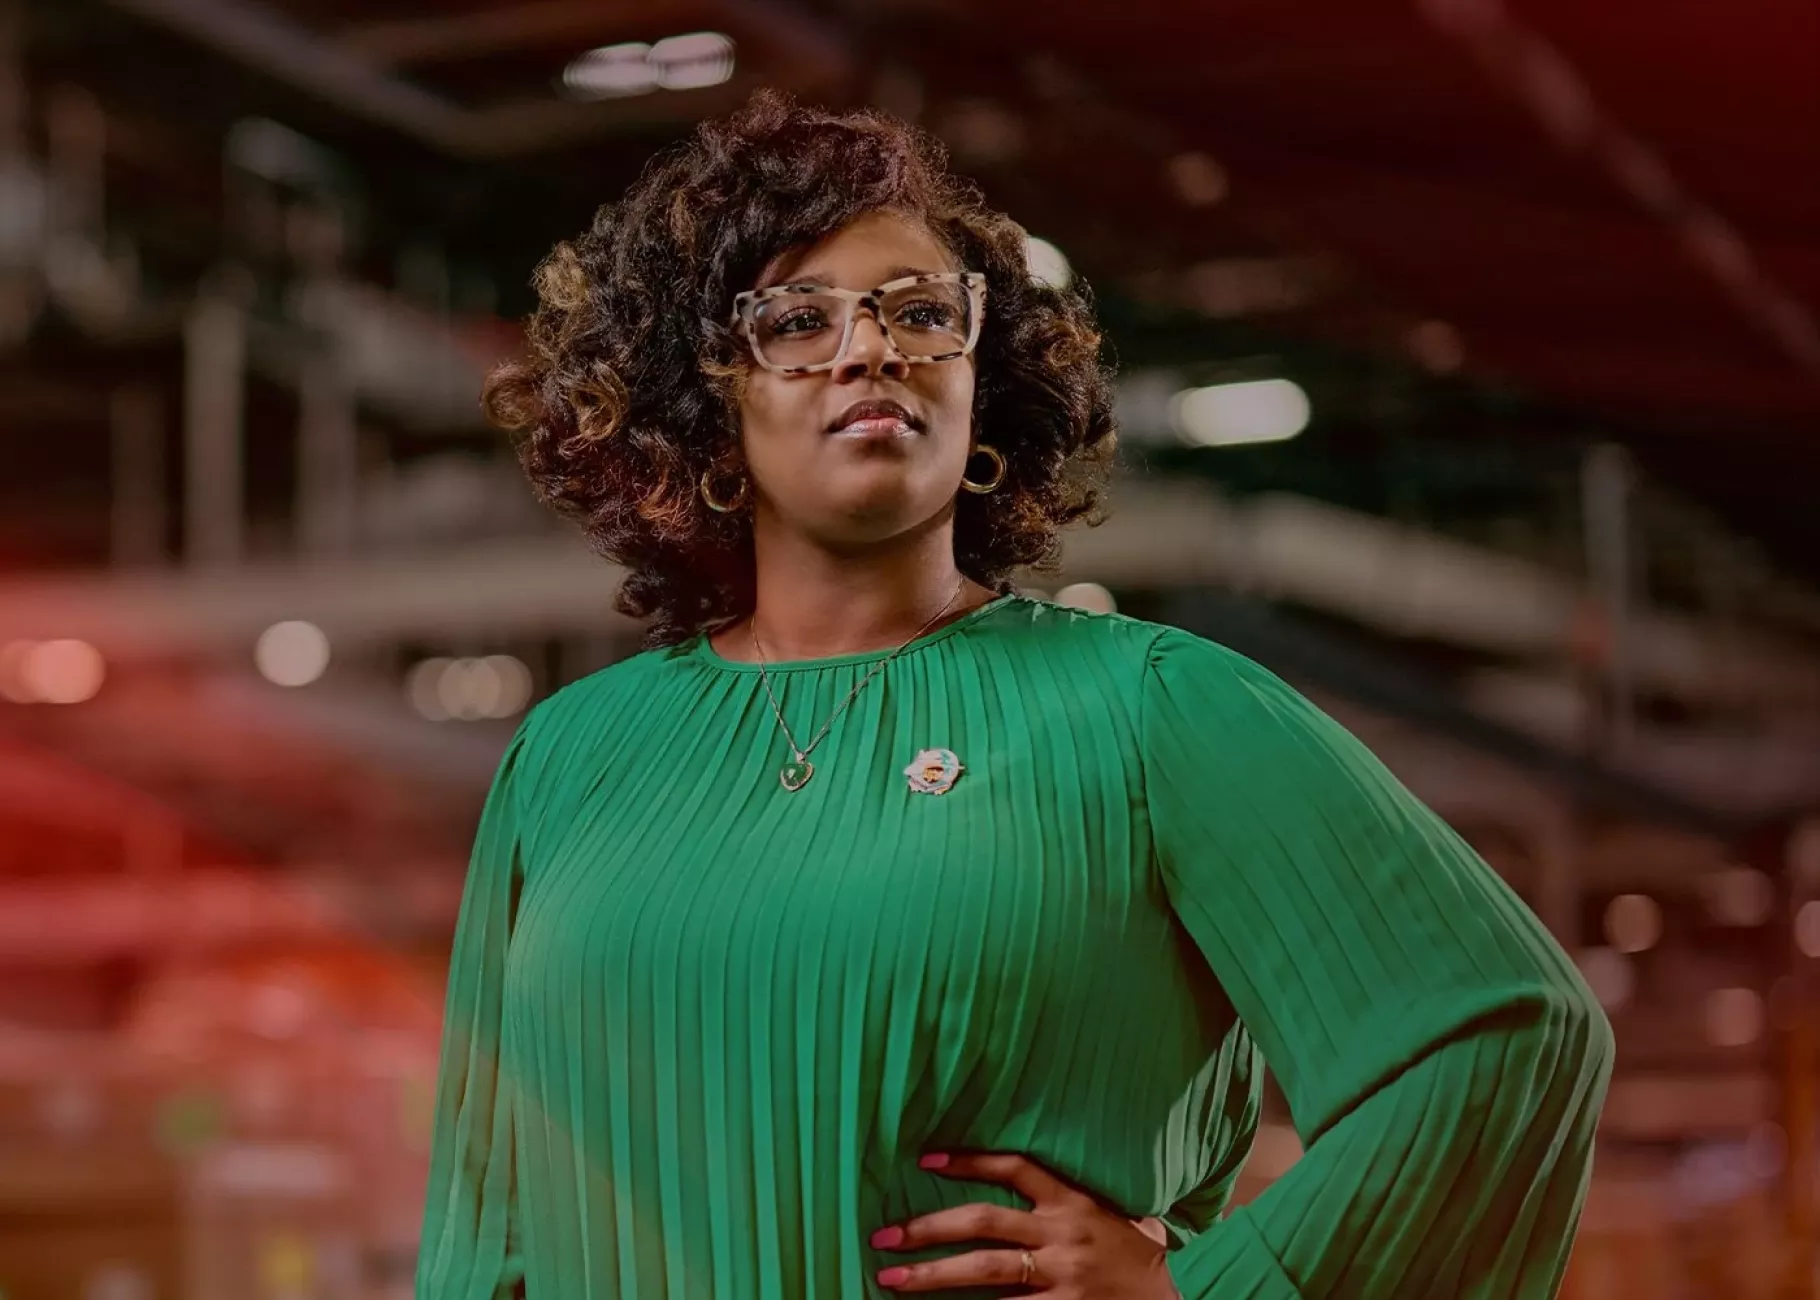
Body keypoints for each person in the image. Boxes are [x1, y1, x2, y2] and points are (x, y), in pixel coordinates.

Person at [415, 90, 1612, 1300]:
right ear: (706, 399)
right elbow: (489, 1221)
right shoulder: (569, 757)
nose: (868, 345)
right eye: (796, 319)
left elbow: (1507, 1040)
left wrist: (1198, 1290)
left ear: (981, 388)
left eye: (922, 313)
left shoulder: (1153, 709)